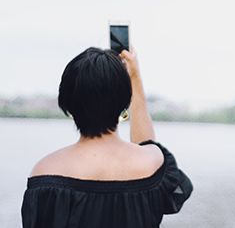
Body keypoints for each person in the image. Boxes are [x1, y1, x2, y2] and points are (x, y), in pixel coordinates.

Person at [21, 47, 193, 228]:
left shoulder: (45, 172)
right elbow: (146, 146)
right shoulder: (154, 163)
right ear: (123, 102)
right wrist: (134, 77)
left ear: (68, 104)